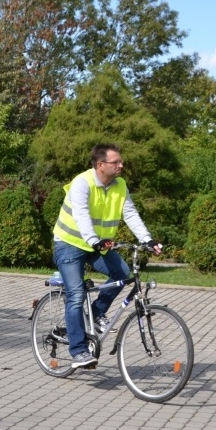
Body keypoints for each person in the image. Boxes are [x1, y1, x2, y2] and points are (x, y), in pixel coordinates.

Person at [53, 143, 162, 369]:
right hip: (69, 244)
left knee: (122, 273)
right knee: (75, 296)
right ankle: (79, 351)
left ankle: (95, 313)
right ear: (100, 165)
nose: (121, 165)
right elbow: (81, 214)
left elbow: (130, 213)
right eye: (116, 162)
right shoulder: (82, 183)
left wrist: (147, 240)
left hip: (97, 245)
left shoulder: (120, 185)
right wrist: (94, 240)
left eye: (121, 161)